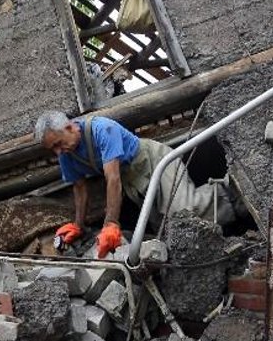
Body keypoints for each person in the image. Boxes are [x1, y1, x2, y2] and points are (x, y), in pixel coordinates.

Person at [34, 111, 235, 258]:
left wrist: (111, 224)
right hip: (133, 180)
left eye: (59, 144)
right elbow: (79, 187)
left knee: (184, 210)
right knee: (167, 230)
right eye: (53, 149)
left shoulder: (102, 129)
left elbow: (112, 178)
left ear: (70, 127)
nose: (58, 152)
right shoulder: (67, 155)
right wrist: (78, 225)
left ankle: (231, 190)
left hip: (154, 161)